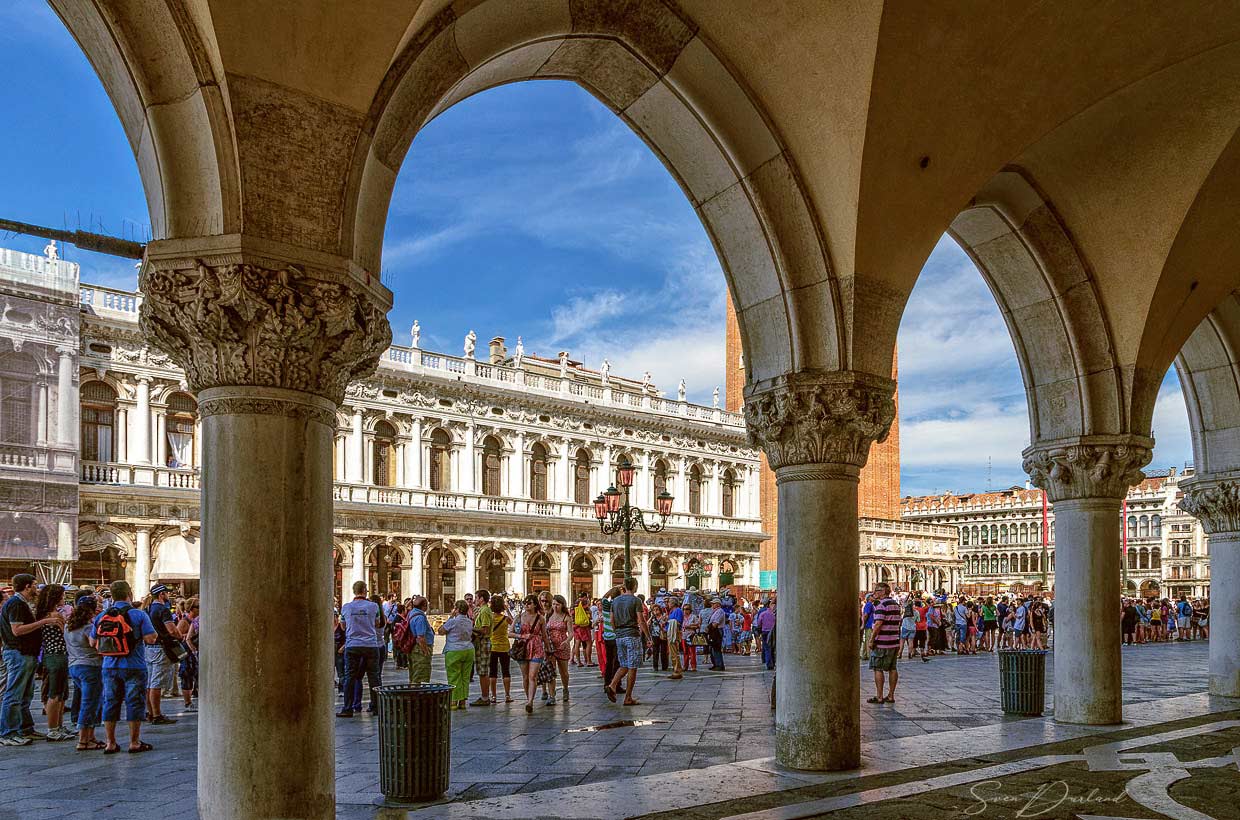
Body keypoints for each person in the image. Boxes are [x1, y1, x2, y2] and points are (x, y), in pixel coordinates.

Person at [91, 580, 157, 754]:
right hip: (134, 664)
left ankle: (110, 742)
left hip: (109, 665)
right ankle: (134, 742)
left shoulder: (102, 616)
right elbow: (151, 638)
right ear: (129, 593)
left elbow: (93, 641)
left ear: (112, 596)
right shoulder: (139, 614)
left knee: (110, 702)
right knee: (134, 702)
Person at [1, 574, 65, 746]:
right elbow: (17, 630)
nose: (37, 589)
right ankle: (8, 732)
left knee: (25, 694)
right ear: (27, 586)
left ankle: (25, 728)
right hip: (18, 653)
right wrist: (44, 621)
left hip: (26, 653)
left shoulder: (21, 604)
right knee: (14, 694)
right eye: (35, 585)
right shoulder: (16, 604)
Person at [336, 581, 383, 718]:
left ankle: (348, 708)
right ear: (364, 590)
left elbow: (343, 626)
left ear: (354, 591)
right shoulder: (373, 606)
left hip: (352, 645)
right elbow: (377, 623)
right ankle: (376, 707)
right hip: (370, 645)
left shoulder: (346, 607)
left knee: (350, 676)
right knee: (374, 677)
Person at [65, 591, 104, 750]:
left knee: (88, 700)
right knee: (90, 702)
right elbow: (94, 645)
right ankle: (83, 740)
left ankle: (91, 736)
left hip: (74, 665)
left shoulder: (68, 626)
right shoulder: (89, 627)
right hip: (90, 665)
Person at [35, 584, 73, 740]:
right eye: (62, 596)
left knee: (61, 693)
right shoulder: (54, 616)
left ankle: (59, 726)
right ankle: (53, 729)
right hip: (56, 654)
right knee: (56, 693)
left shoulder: (44, 614)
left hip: (54, 654)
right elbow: (66, 632)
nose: (64, 599)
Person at [606, 577, 648, 705]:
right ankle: (628, 697)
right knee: (632, 666)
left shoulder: (616, 601)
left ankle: (612, 685)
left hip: (619, 636)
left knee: (623, 664)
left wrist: (617, 632)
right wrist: (648, 636)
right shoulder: (636, 600)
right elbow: (641, 621)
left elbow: (612, 620)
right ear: (635, 586)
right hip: (632, 635)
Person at [144, 584, 179, 725]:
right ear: (161, 595)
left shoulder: (148, 609)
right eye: (166, 593)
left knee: (150, 682)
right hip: (161, 648)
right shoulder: (163, 609)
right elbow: (171, 630)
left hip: (149, 647)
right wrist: (179, 636)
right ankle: (157, 714)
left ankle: (150, 712)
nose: (168, 595)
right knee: (156, 683)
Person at [515, 595, 549, 713]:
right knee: (525, 677)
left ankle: (530, 701)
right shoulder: (519, 617)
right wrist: (521, 636)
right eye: (525, 603)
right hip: (522, 648)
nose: (526, 605)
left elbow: (544, 635)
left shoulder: (540, 618)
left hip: (536, 647)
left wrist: (548, 649)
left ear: (535, 604)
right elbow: (510, 633)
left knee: (532, 676)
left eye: (529, 603)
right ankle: (528, 698)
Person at [867, 582, 900, 704]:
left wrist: (871, 640)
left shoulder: (881, 605)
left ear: (882, 592)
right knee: (892, 668)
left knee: (878, 668)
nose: (874, 593)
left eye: (876, 590)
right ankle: (891, 695)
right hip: (894, 641)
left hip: (882, 642)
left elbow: (878, 624)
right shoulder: (896, 605)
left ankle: (879, 696)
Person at [439, 601, 476, 710]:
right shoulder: (469, 622)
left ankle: (453, 701)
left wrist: (450, 617)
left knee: (454, 676)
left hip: (454, 650)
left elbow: (441, 631)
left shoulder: (453, 621)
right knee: (465, 677)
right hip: (469, 650)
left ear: (457, 610)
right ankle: (463, 701)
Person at [485, 596, 512, 703]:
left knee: (493, 672)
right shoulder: (505, 618)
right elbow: (514, 623)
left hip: (492, 647)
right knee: (506, 672)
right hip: (504, 647)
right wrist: (508, 609)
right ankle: (507, 696)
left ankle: (494, 696)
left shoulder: (490, 618)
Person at [471, 589, 493, 707]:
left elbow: (485, 629)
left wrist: (471, 628)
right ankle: (485, 696)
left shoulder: (484, 611)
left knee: (483, 671)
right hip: (482, 642)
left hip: (483, 642)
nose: (475, 600)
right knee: (481, 671)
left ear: (482, 599)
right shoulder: (483, 610)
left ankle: (485, 697)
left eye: (476, 597)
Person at [405, 596, 434, 684]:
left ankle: (414, 694)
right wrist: (425, 651)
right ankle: (417, 695)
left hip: (414, 647)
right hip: (420, 649)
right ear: (424, 606)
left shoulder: (411, 613)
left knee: (414, 674)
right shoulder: (420, 617)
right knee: (420, 675)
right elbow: (420, 637)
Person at [705, 597, 727, 671]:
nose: (712, 605)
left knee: (716, 648)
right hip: (714, 631)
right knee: (712, 648)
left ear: (718, 604)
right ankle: (715, 664)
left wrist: (709, 626)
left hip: (717, 631)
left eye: (713, 604)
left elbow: (715, 623)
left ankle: (719, 665)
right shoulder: (715, 611)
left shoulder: (720, 611)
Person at [755, 599, 775, 670]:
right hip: (772, 631)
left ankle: (768, 663)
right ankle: (773, 661)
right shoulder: (773, 613)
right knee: (772, 647)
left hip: (765, 631)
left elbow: (759, 623)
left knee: (766, 647)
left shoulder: (762, 613)